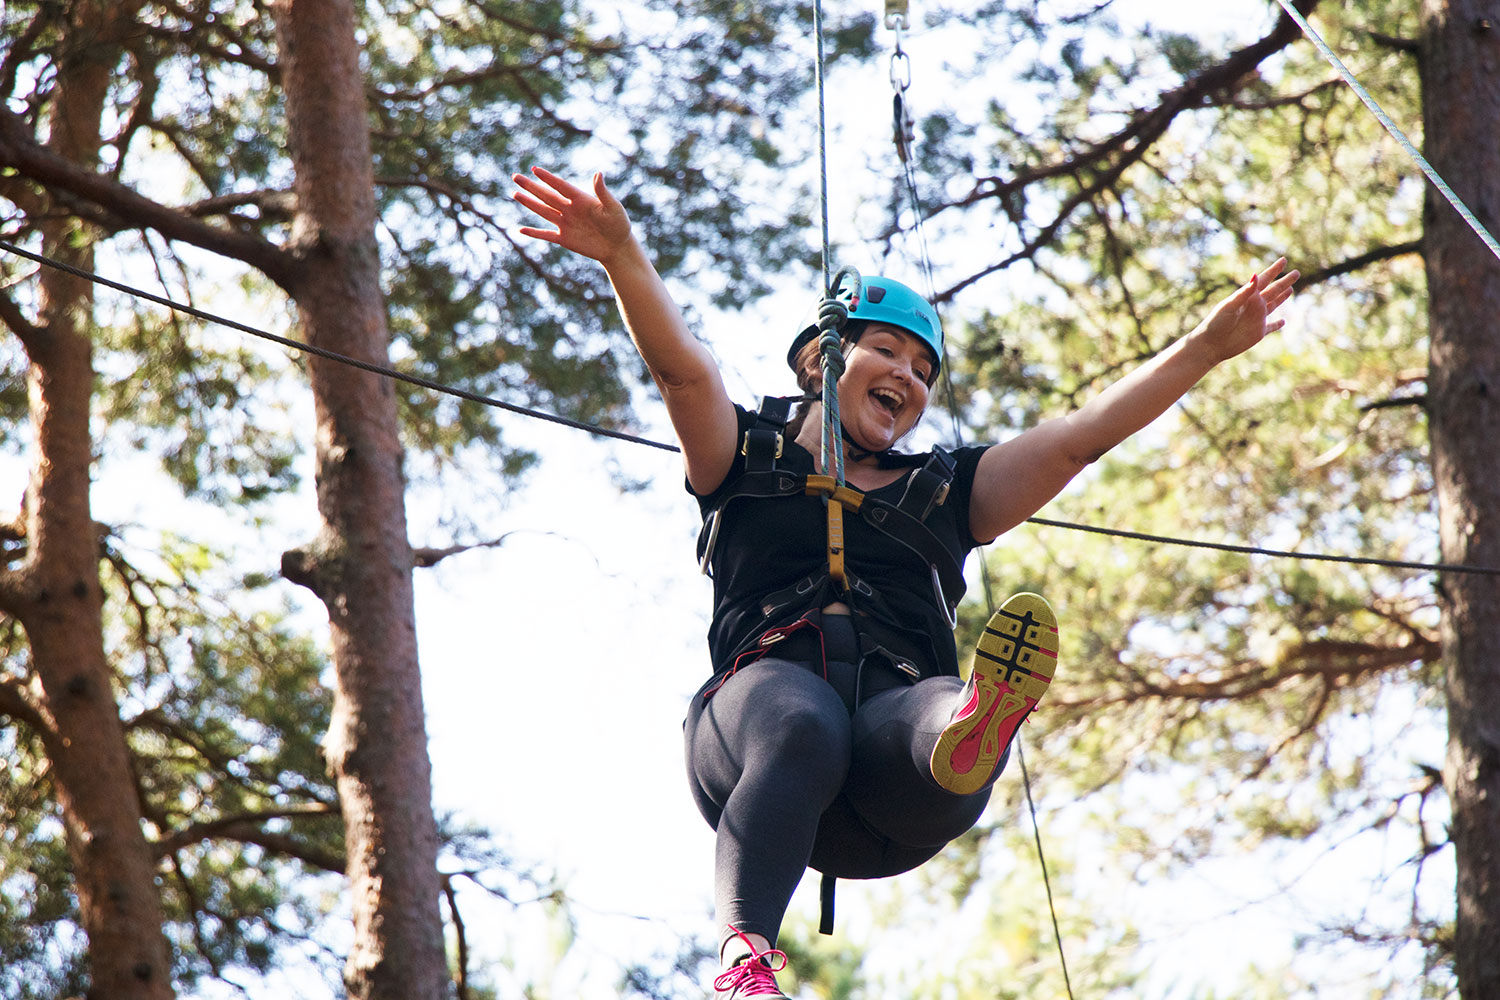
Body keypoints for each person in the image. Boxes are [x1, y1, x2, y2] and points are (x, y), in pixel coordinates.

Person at [511, 166, 1297, 998]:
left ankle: (968, 735)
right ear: (823, 358)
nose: (909, 379)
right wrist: (622, 253)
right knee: (801, 717)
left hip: (894, 787)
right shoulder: (740, 455)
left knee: (934, 708)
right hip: (757, 744)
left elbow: (1079, 438)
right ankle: (746, 960)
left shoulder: (949, 495)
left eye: (924, 370)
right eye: (886, 350)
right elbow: (685, 374)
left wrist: (1206, 347)